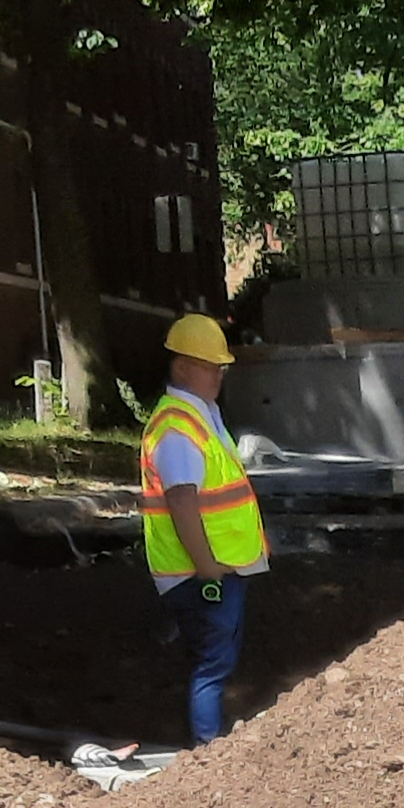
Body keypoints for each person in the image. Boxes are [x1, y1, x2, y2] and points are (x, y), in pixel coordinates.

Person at [139, 313, 268, 742]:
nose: (220, 374)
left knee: (215, 661)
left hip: (217, 567)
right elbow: (182, 502)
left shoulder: (202, 415)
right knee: (213, 665)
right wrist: (208, 566)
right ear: (182, 368)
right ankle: (208, 754)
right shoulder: (178, 428)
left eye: (221, 367)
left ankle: (207, 755)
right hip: (201, 573)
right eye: (212, 366)